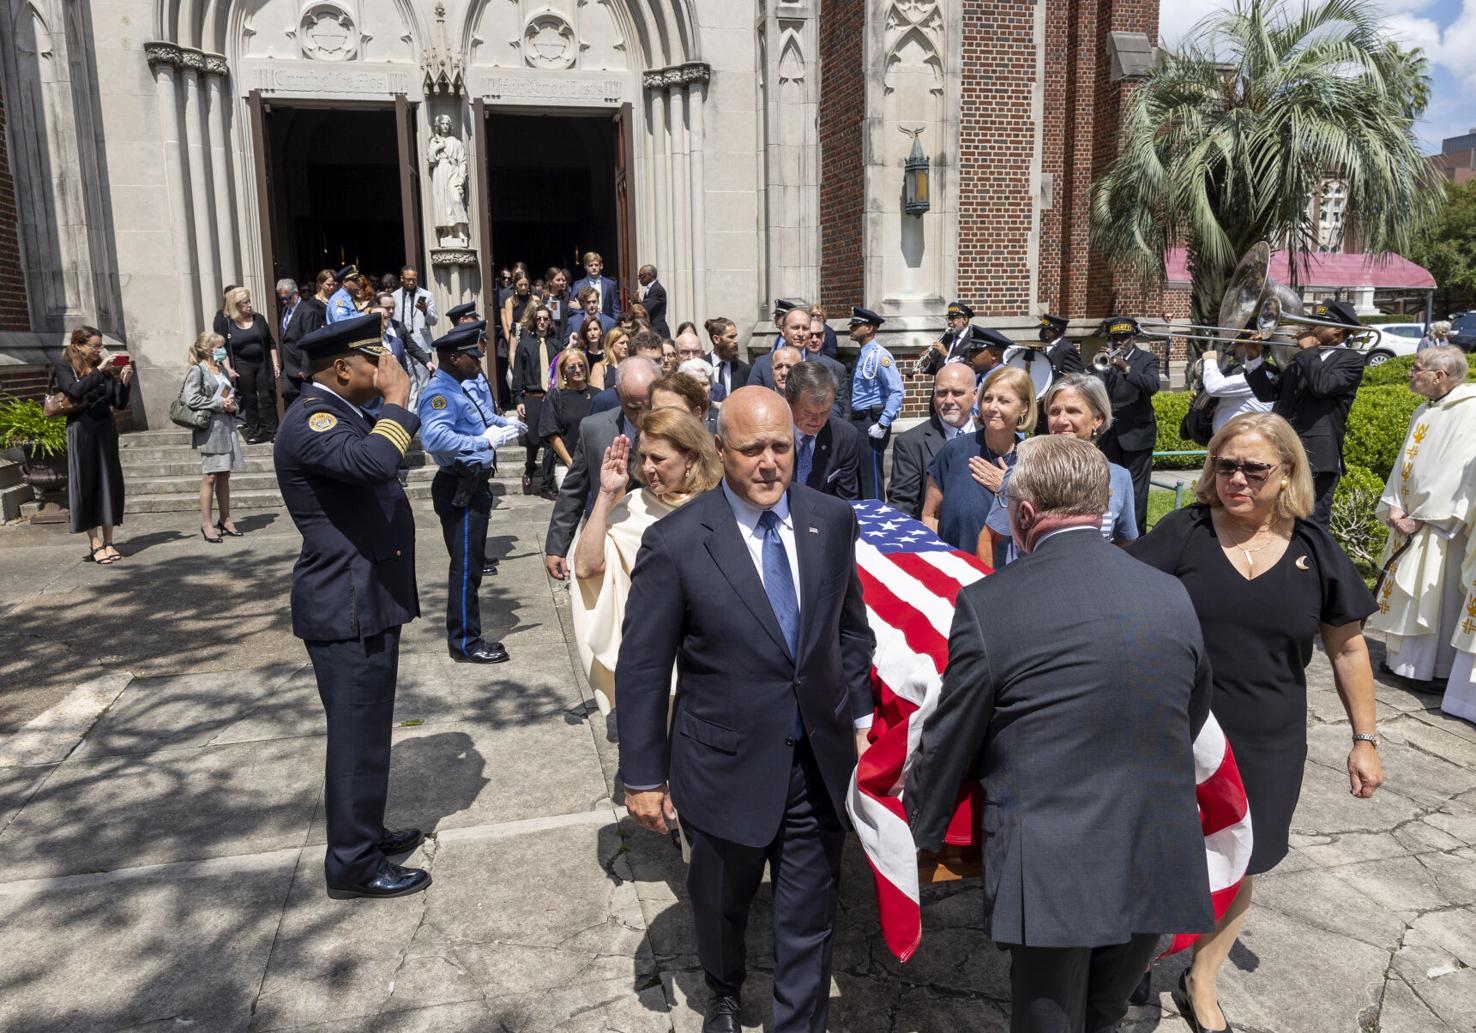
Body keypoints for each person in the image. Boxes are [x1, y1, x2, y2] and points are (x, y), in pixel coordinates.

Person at [907, 435, 1214, 1033]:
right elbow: (1191, 712)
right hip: (1154, 842)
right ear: (1102, 506)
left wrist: (919, 817)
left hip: (1052, 859)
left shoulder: (990, 604)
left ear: (1022, 515)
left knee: (1048, 1021)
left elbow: (955, 733)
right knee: (1104, 1014)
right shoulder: (1170, 593)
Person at [616, 385, 876, 1033]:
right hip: (721, 768)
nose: (768, 462)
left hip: (816, 767)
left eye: (781, 447)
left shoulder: (831, 520)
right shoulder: (677, 542)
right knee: (720, 905)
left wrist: (860, 718)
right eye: (752, 448)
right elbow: (644, 666)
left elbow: (851, 632)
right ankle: (724, 989)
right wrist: (643, 775)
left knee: (809, 921)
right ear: (721, 449)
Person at [1127, 412, 1382, 1030]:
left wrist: (1364, 739)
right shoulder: (1182, 532)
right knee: (1154, 851)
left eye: (1253, 467)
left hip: (1268, 738)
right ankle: (1131, 967)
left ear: (1288, 472)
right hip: (1174, 730)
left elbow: (1348, 650)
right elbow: (1122, 604)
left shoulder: (1315, 549)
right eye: (1224, 464)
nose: (1235, 477)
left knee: (1243, 858)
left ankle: (1202, 981)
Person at [272, 312, 429, 899]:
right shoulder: (312, 419)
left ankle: (364, 832)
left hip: (364, 599)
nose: (384, 367)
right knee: (355, 739)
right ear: (342, 368)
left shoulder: (341, 412)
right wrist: (399, 400)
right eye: (374, 359)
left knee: (367, 733)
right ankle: (353, 866)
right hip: (346, 605)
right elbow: (373, 463)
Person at [572, 409, 720, 712]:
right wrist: (605, 495)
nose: (648, 468)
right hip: (655, 669)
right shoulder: (633, 507)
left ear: (690, 456)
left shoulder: (722, 506)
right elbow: (586, 568)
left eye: (659, 458)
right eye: (643, 457)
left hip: (713, 670)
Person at [1368, 346, 1476, 720]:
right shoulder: (1425, 409)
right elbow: (1405, 461)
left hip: (1439, 526)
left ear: (1440, 376)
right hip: (1408, 517)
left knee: (1434, 594)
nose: (1410, 373)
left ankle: (1431, 670)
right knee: (1404, 593)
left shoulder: (1470, 411)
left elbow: (1459, 474)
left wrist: (1425, 515)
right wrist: (1395, 502)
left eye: (1416, 369)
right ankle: (1402, 663)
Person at [419, 322, 524, 665]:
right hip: (458, 485)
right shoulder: (440, 392)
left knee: (472, 565)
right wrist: (483, 442)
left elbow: (473, 422)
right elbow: (435, 439)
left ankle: (466, 635)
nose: (479, 360)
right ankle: (464, 642)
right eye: (472, 356)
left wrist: (500, 424)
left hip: (474, 483)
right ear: (453, 358)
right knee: (465, 568)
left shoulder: (459, 387)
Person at [981, 373, 1138, 568]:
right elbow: (988, 538)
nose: (1061, 421)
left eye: (1073, 411)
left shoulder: (1119, 478)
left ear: (1097, 419)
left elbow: (1126, 543)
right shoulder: (1021, 471)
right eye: (1055, 412)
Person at [1244, 299, 1366, 529]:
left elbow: (1322, 387)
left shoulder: (1351, 360)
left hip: (1318, 456)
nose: (1311, 328)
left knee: (1311, 522)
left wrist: (1309, 351)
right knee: (1279, 515)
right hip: (1284, 450)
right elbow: (1268, 394)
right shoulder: (1304, 359)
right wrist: (1253, 358)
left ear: (1338, 330)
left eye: (1318, 322)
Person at [544, 357, 658, 580]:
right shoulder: (593, 429)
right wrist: (557, 546)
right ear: (618, 395)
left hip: (660, 543)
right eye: (634, 407)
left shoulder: (678, 428)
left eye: (649, 405)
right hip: (609, 543)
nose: (643, 415)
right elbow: (573, 490)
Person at [922, 366, 1035, 559]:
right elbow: (930, 515)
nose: (992, 408)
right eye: (988, 398)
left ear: (1024, 407)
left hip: (1009, 577)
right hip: (955, 572)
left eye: (1004, 401)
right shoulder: (954, 452)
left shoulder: (1033, 462)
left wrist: (1008, 488)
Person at [55, 326, 130, 563]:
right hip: (81, 429)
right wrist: (98, 370)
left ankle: (109, 541)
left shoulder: (104, 371)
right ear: (78, 345)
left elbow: (117, 403)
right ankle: (94, 542)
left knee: (109, 482)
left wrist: (125, 383)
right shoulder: (65, 367)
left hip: (105, 429)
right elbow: (74, 390)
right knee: (87, 483)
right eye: (94, 346)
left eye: (100, 346)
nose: (98, 350)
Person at [1093, 316, 1159, 536]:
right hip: (1110, 435)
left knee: (1136, 493)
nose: (1120, 342)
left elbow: (1152, 386)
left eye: (1124, 337)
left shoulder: (1147, 359)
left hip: (1136, 434)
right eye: (1116, 338)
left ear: (1134, 338)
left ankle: (1136, 539)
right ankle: (1111, 533)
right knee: (1109, 488)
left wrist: (1126, 368)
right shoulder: (1104, 360)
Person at [888, 363, 976, 519]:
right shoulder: (910, 443)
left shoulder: (992, 435)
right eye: (942, 393)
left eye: (957, 393)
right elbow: (902, 506)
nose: (949, 400)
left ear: (974, 395)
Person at [181, 331, 245, 542]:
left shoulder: (221, 371)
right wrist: (219, 404)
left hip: (226, 426)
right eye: (218, 347)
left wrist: (232, 405)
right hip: (210, 429)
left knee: (224, 475)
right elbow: (191, 399)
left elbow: (228, 395)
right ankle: (206, 524)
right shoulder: (197, 370)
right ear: (208, 349)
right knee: (210, 476)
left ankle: (225, 519)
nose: (221, 350)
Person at [848, 306, 904, 500]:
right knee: (856, 474)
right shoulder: (863, 354)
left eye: (857, 325)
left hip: (871, 422)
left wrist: (883, 423)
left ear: (870, 328)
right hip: (857, 421)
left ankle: (877, 517)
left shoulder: (881, 356)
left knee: (871, 476)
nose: (852, 328)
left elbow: (896, 391)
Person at [784, 360, 860, 499]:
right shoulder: (769, 433)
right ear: (789, 401)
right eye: (808, 413)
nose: (818, 421)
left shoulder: (845, 437)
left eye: (825, 412)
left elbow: (846, 500)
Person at [221, 286, 280, 444]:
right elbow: (222, 349)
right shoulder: (228, 324)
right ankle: (255, 432)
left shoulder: (258, 318)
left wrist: (275, 364)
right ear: (237, 304)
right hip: (242, 364)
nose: (249, 304)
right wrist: (228, 369)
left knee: (266, 396)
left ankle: (273, 431)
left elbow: (271, 343)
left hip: (262, 362)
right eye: (245, 302)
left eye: (249, 301)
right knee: (249, 398)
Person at [512, 304, 560, 494]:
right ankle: (530, 467)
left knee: (551, 440)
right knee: (532, 438)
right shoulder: (525, 344)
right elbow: (518, 374)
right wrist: (518, 399)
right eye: (538, 319)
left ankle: (547, 482)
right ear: (534, 321)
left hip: (552, 397)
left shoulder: (556, 344)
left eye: (545, 319)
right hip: (532, 396)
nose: (542, 322)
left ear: (549, 322)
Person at [539, 348, 600, 494]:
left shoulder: (597, 395)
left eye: (581, 365)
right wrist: (570, 463)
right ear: (564, 371)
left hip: (595, 464)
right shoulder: (556, 397)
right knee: (572, 512)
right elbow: (552, 434)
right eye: (572, 367)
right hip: (567, 466)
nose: (578, 370)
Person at [1197, 339, 1274, 433]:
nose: (1233, 345)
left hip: (1244, 442)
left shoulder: (1262, 376)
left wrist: (1210, 360)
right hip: (1230, 440)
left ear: (1257, 347)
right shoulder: (1242, 373)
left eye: (1239, 342)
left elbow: (1213, 387)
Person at [282, 269, 333, 407]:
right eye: (282, 299)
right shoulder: (285, 310)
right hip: (288, 365)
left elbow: (308, 340)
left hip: (301, 367)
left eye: (287, 298)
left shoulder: (308, 312)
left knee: (306, 401)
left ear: (296, 294)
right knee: (287, 395)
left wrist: (306, 367)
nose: (285, 302)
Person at [750, 305, 811, 390]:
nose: (800, 333)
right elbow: (752, 398)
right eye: (795, 328)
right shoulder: (762, 365)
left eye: (805, 328)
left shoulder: (825, 366)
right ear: (783, 331)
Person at [913, 301, 982, 377]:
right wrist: (928, 361)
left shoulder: (973, 340)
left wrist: (946, 355)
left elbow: (968, 367)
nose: (949, 322)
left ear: (965, 320)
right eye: (948, 318)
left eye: (953, 318)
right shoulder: (946, 338)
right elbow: (936, 369)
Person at [804, 311, 850, 418]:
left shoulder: (837, 368)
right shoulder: (792, 362)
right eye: (810, 335)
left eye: (818, 335)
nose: (814, 340)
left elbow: (844, 406)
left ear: (824, 337)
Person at [392, 265, 439, 362]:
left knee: (424, 376)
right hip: (401, 341)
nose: (411, 282)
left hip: (421, 342)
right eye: (408, 279)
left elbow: (434, 321)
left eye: (414, 280)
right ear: (401, 278)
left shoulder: (426, 295)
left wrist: (425, 311)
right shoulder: (393, 296)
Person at [650, 370, 717, 432]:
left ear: (696, 413)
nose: (664, 419)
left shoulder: (716, 440)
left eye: (672, 412)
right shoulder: (646, 441)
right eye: (657, 413)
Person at [706, 317, 748, 400]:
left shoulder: (744, 369)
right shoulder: (702, 366)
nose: (735, 341)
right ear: (716, 339)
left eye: (735, 336)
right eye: (731, 337)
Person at [571, 251, 619, 317]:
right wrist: (583, 309)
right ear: (585, 266)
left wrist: (615, 325)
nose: (594, 267)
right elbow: (571, 308)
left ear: (601, 266)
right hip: (586, 323)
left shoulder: (610, 284)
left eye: (596, 265)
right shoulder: (578, 285)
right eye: (590, 265)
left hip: (606, 324)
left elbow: (616, 309)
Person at [637, 264, 670, 336]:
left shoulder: (656, 289)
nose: (639, 279)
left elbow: (645, 309)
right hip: (653, 330)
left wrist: (636, 302)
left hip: (658, 331)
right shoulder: (651, 289)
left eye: (641, 276)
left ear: (649, 275)